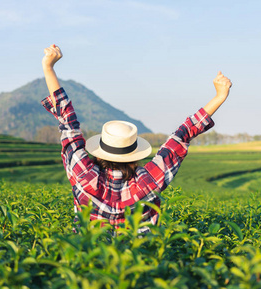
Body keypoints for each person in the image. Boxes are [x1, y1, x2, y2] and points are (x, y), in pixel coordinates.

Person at [41, 44, 232, 233]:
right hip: (137, 261)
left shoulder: (83, 174)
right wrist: (220, 96)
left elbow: (68, 124)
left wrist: (49, 68)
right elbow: (180, 137)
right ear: (134, 155)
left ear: (100, 153)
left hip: (87, 260)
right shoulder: (147, 181)